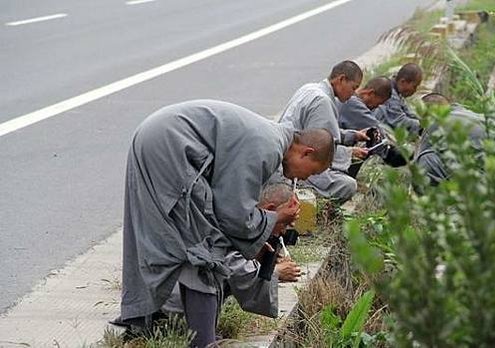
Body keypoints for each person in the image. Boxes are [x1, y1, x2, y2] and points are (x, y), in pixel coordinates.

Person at [120, 100, 334, 348]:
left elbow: (225, 209)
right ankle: (204, 342)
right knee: (204, 251)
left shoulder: (270, 139)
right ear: (306, 152)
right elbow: (233, 214)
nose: (304, 178)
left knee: (171, 241)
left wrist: (259, 235)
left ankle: (151, 326)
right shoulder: (268, 147)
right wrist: (275, 221)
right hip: (171, 147)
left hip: (159, 139)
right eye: (312, 171)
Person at [162, 183, 302, 320]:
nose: (283, 231)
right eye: (284, 222)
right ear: (270, 210)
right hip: (175, 301)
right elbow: (235, 268)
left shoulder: (246, 219)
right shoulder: (238, 221)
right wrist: (275, 272)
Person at [278, 60, 369, 203]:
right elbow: (320, 150)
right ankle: (317, 209)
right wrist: (350, 153)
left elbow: (314, 133)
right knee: (348, 185)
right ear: (341, 79)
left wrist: (352, 135)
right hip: (295, 162)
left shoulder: (310, 88)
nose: (353, 94)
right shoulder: (323, 101)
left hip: (290, 151)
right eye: (353, 87)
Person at [414, 93, 486, 190]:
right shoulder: (470, 114)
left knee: (425, 161)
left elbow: (421, 154)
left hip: (479, 181)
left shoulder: (434, 122)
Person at [373, 63, 423, 134]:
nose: (415, 90)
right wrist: (422, 125)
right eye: (414, 86)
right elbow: (398, 120)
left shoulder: (397, 92)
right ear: (403, 82)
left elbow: (408, 112)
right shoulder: (389, 92)